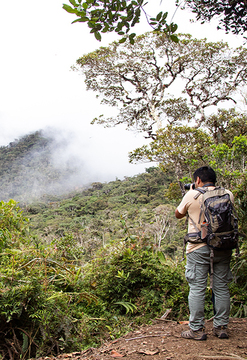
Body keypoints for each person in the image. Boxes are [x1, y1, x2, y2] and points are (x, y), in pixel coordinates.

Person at [175, 166, 233, 341]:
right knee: (221, 286)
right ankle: (221, 327)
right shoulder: (228, 194)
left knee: (197, 288)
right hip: (223, 247)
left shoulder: (192, 195)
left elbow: (178, 214)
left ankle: (197, 329)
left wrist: (191, 192)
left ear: (198, 180)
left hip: (198, 248)